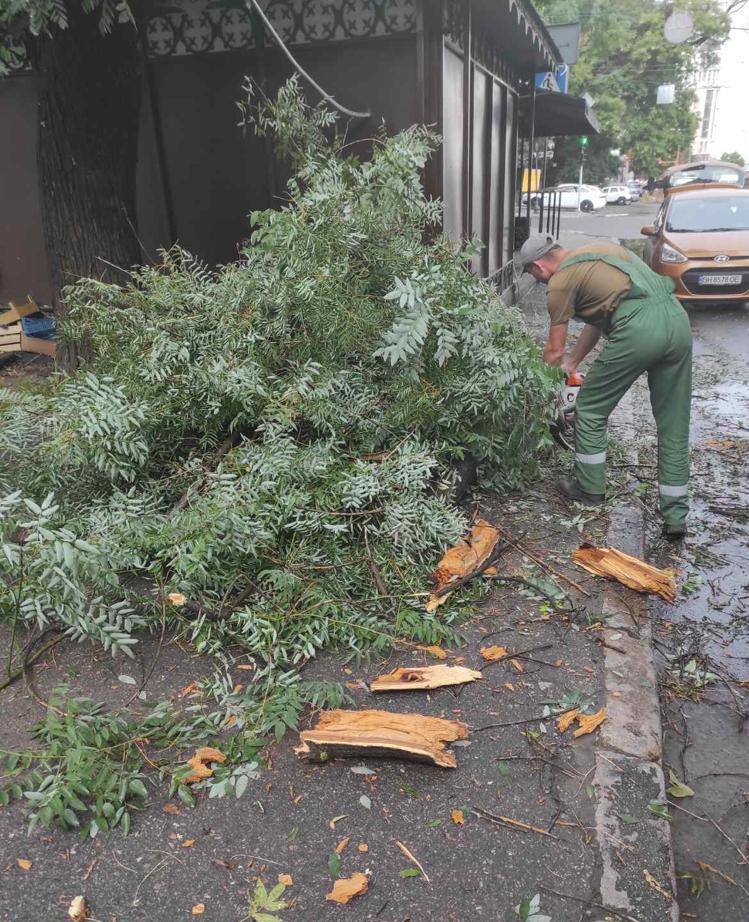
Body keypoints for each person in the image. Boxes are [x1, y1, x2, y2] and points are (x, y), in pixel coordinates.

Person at [519, 233, 692, 539]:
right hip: (677, 321)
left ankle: (588, 490)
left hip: (639, 328)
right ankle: (675, 515)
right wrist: (572, 364)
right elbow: (596, 324)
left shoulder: (559, 282)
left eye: (532, 274)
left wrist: (542, 391)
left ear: (539, 266)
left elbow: (553, 351)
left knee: (590, 410)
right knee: (674, 424)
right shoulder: (600, 250)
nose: (537, 280)